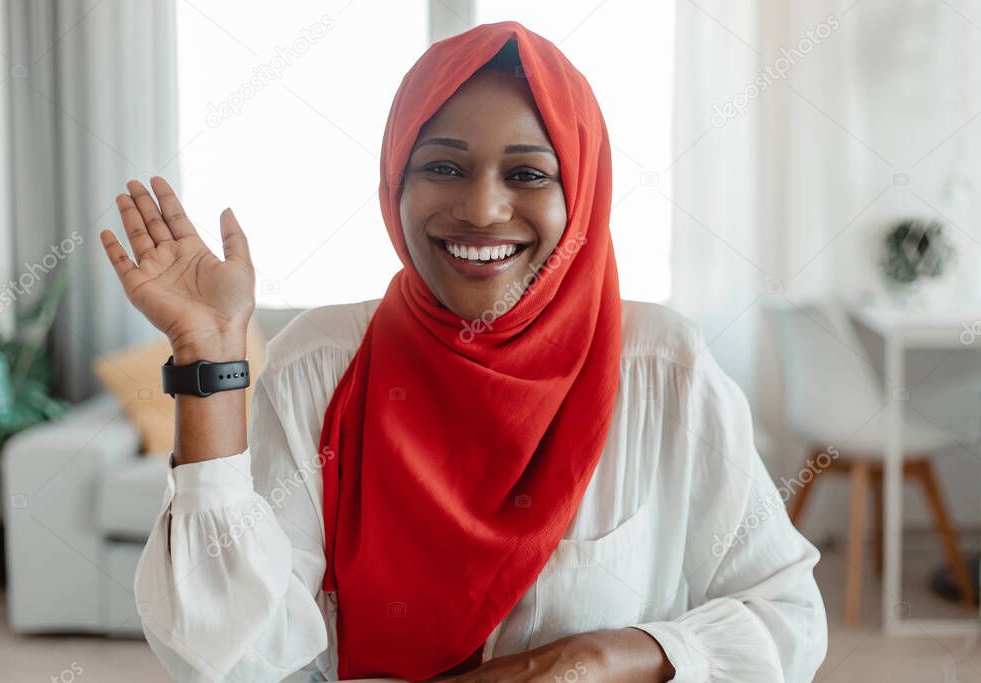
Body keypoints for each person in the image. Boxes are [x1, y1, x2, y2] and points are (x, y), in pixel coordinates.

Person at [100, 21, 827, 683]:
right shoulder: (321, 365)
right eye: (444, 167)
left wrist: (595, 658)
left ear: (582, 192)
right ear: (396, 183)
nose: (482, 209)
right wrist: (211, 358)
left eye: (528, 173)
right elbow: (230, 653)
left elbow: (787, 616)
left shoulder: (663, 368)